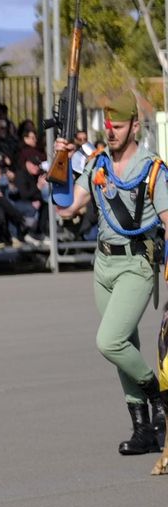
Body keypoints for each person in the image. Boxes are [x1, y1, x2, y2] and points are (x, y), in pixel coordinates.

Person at [51, 105, 168, 456]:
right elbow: (67, 207)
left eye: (118, 126)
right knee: (123, 348)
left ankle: (159, 396)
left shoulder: (151, 169)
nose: (111, 131)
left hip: (136, 264)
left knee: (110, 341)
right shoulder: (97, 164)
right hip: (103, 266)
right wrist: (60, 161)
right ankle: (143, 429)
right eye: (108, 126)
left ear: (135, 127)